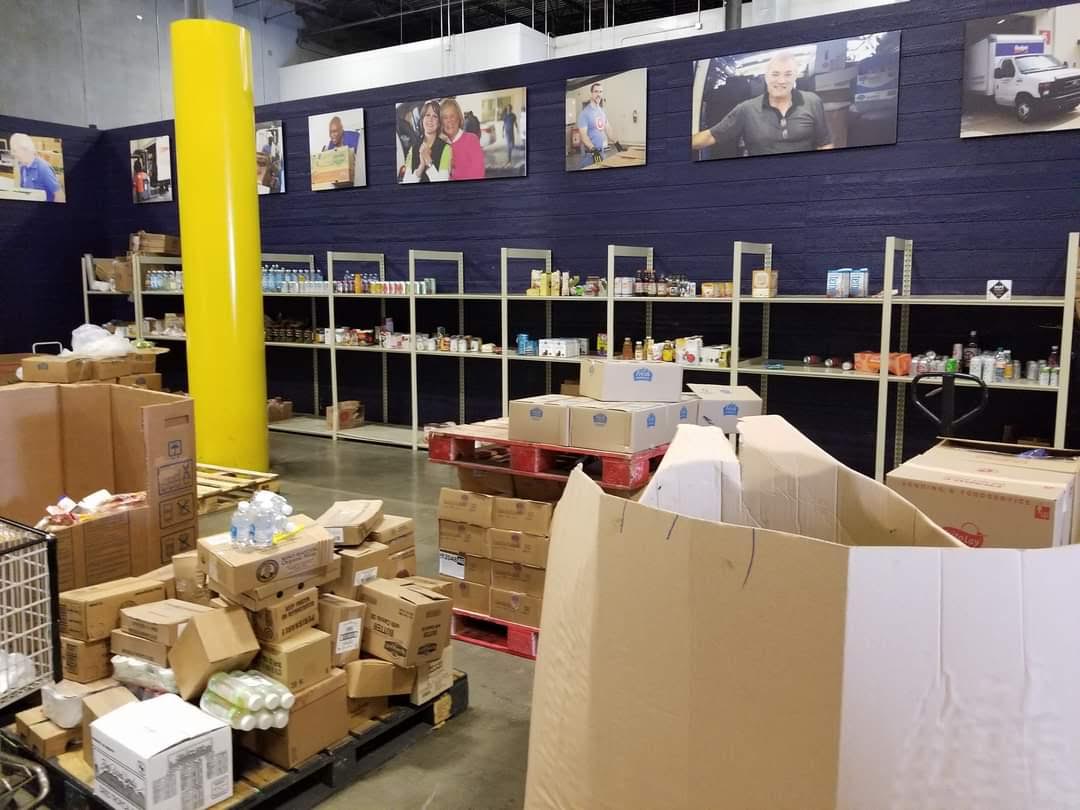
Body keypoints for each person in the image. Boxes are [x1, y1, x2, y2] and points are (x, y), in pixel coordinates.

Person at [691, 52, 833, 157]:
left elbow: (825, 143)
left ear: (795, 76)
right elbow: (710, 136)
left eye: (788, 74)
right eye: (775, 74)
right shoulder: (746, 109)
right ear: (766, 77)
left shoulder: (812, 101)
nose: (781, 81)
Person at [576, 81, 626, 168]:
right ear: (591, 94)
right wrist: (593, 150)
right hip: (589, 155)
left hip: (601, 153)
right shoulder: (584, 114)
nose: (598, 94)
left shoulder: (602, 111)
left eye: (600, 92)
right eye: (596, 91)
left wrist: (617, 145)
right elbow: (583, 136)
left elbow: (608, 129)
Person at [401, 100, 452, 183]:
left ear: (439, 123)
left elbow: (443, 184)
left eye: (435, 116)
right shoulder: (413, 148)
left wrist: (428, 161)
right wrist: (421, 167)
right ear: (422, 119)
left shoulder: (446, 149)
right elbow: (406, 181)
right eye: (427, 115)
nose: (430, 119)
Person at [439, 98, 485, 181]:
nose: (449, 121)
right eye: (445, 117)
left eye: (452, 116)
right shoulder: (440, 144)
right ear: (441, 122)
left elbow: (478, 175)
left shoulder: (471, 140)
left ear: (459, 118)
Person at [11, 133, 62, 202]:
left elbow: (60, 195)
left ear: (25, 149)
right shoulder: (22, 167)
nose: (13, 154)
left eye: (15, 151)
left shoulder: (43, 168)